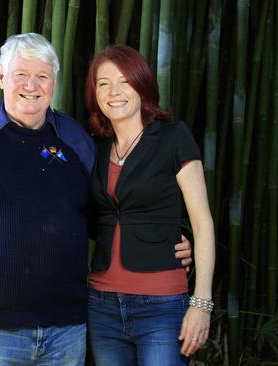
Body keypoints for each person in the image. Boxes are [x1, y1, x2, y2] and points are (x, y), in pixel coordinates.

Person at [0, 33, 192, 366]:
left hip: (66, 332)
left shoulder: (74, 137)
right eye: (21, 75)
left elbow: (106, 215)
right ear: (2, 77)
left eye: (43, 76)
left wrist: (163, 239)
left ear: (54, 83)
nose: (31, 85)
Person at [84, 45, 215, 365]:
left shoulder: (173, 138)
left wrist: (201, 303)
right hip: (102, 306)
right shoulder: (95, 149)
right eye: (103, 83)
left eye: (124, 81)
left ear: (142, 85)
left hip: (161, 305)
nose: (113, 91)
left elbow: (202, 223)